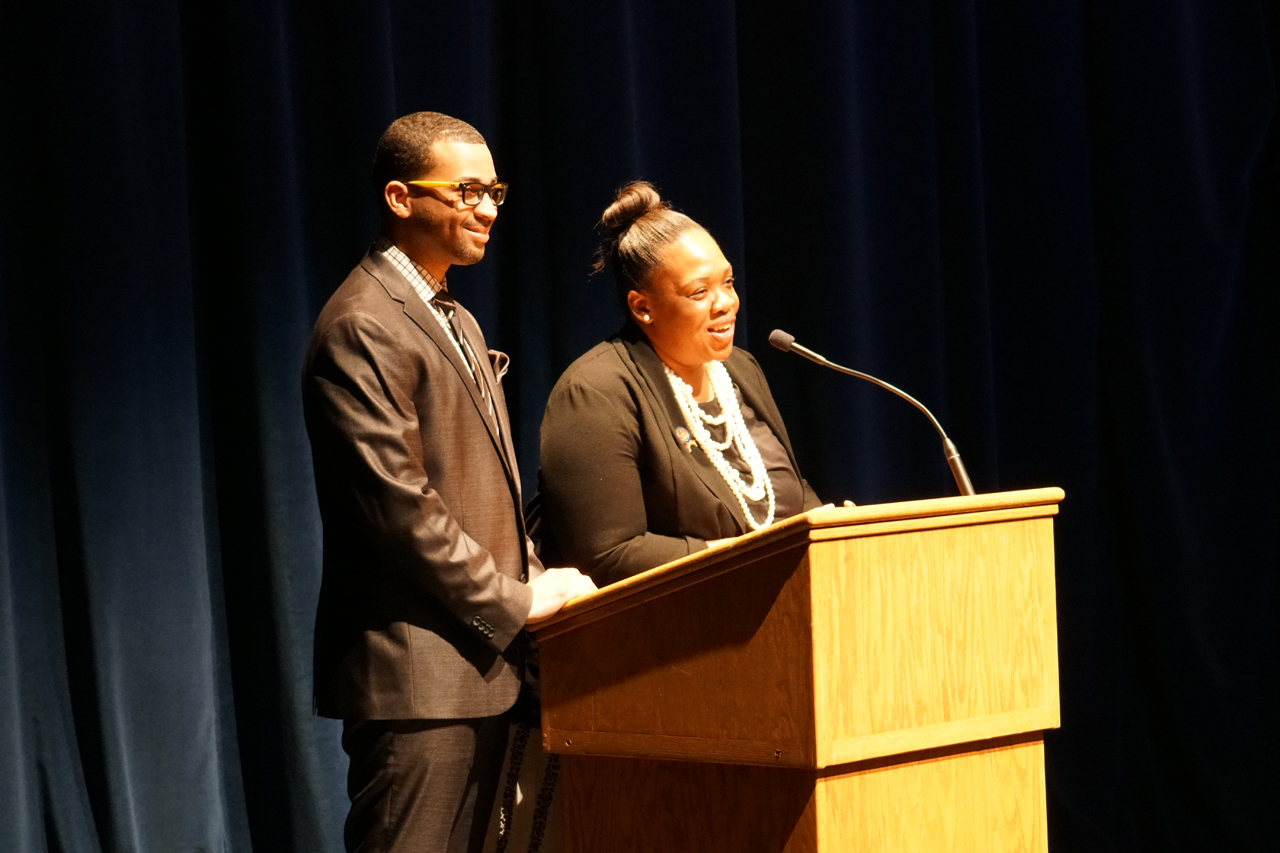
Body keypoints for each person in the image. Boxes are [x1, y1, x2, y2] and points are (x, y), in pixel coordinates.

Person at [302, 111, 595, 853]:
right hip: (418, 682)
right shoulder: (364, 324)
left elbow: (480, 491)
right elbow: (399, 509)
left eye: (493, 189)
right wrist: (519, 600)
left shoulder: (454, 318)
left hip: (480, 669)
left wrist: (537, 574)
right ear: (401, 197)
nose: (488, 208)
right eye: (466, 191)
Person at [533, 181, 824, 587]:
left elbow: (789, 494)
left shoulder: (742, 369)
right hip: (673, 635)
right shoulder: (596, 391)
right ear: (642, 307)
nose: (726, 303)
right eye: (699, 291)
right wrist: (749, 557)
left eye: (728, 282)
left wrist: (829, 530)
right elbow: (608, 555)